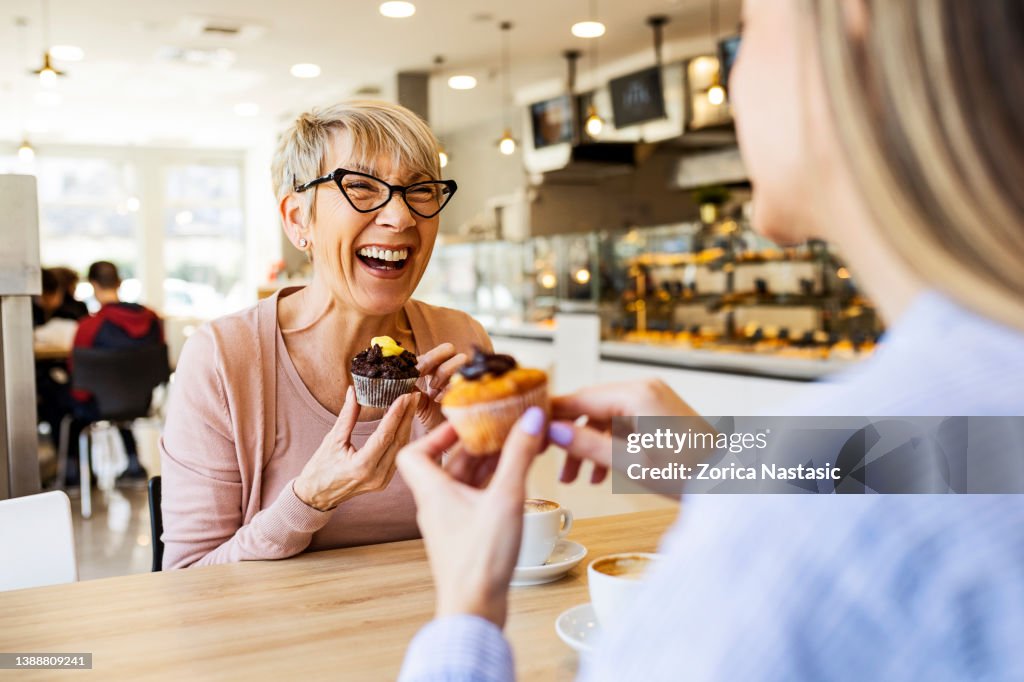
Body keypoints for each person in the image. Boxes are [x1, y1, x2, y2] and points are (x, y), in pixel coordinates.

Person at [396, 0, 1024, 680]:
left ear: (852, 22)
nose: (731, 81)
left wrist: (464, 609)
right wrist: (729, 468)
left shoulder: (788, 547)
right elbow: (959, 459)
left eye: (748, 30)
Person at [160, 100, 491, 569]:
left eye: (420, 189)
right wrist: (310, 499)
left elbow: (497, 540)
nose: (401, 218)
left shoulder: (460, 339)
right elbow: (187, 579)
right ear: (298, 219)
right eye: (359, 186)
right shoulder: (223, 358)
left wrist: (467, 460)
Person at [71, 260, 164, 481]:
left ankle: (73, 471)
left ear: (93, 285)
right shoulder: (152, 320)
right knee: (116, 394)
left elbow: (79, 383)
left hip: (98, 406)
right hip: (142, 401)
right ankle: (133, 461)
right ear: (119, 282)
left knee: (67, 401)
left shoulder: (88, 327)